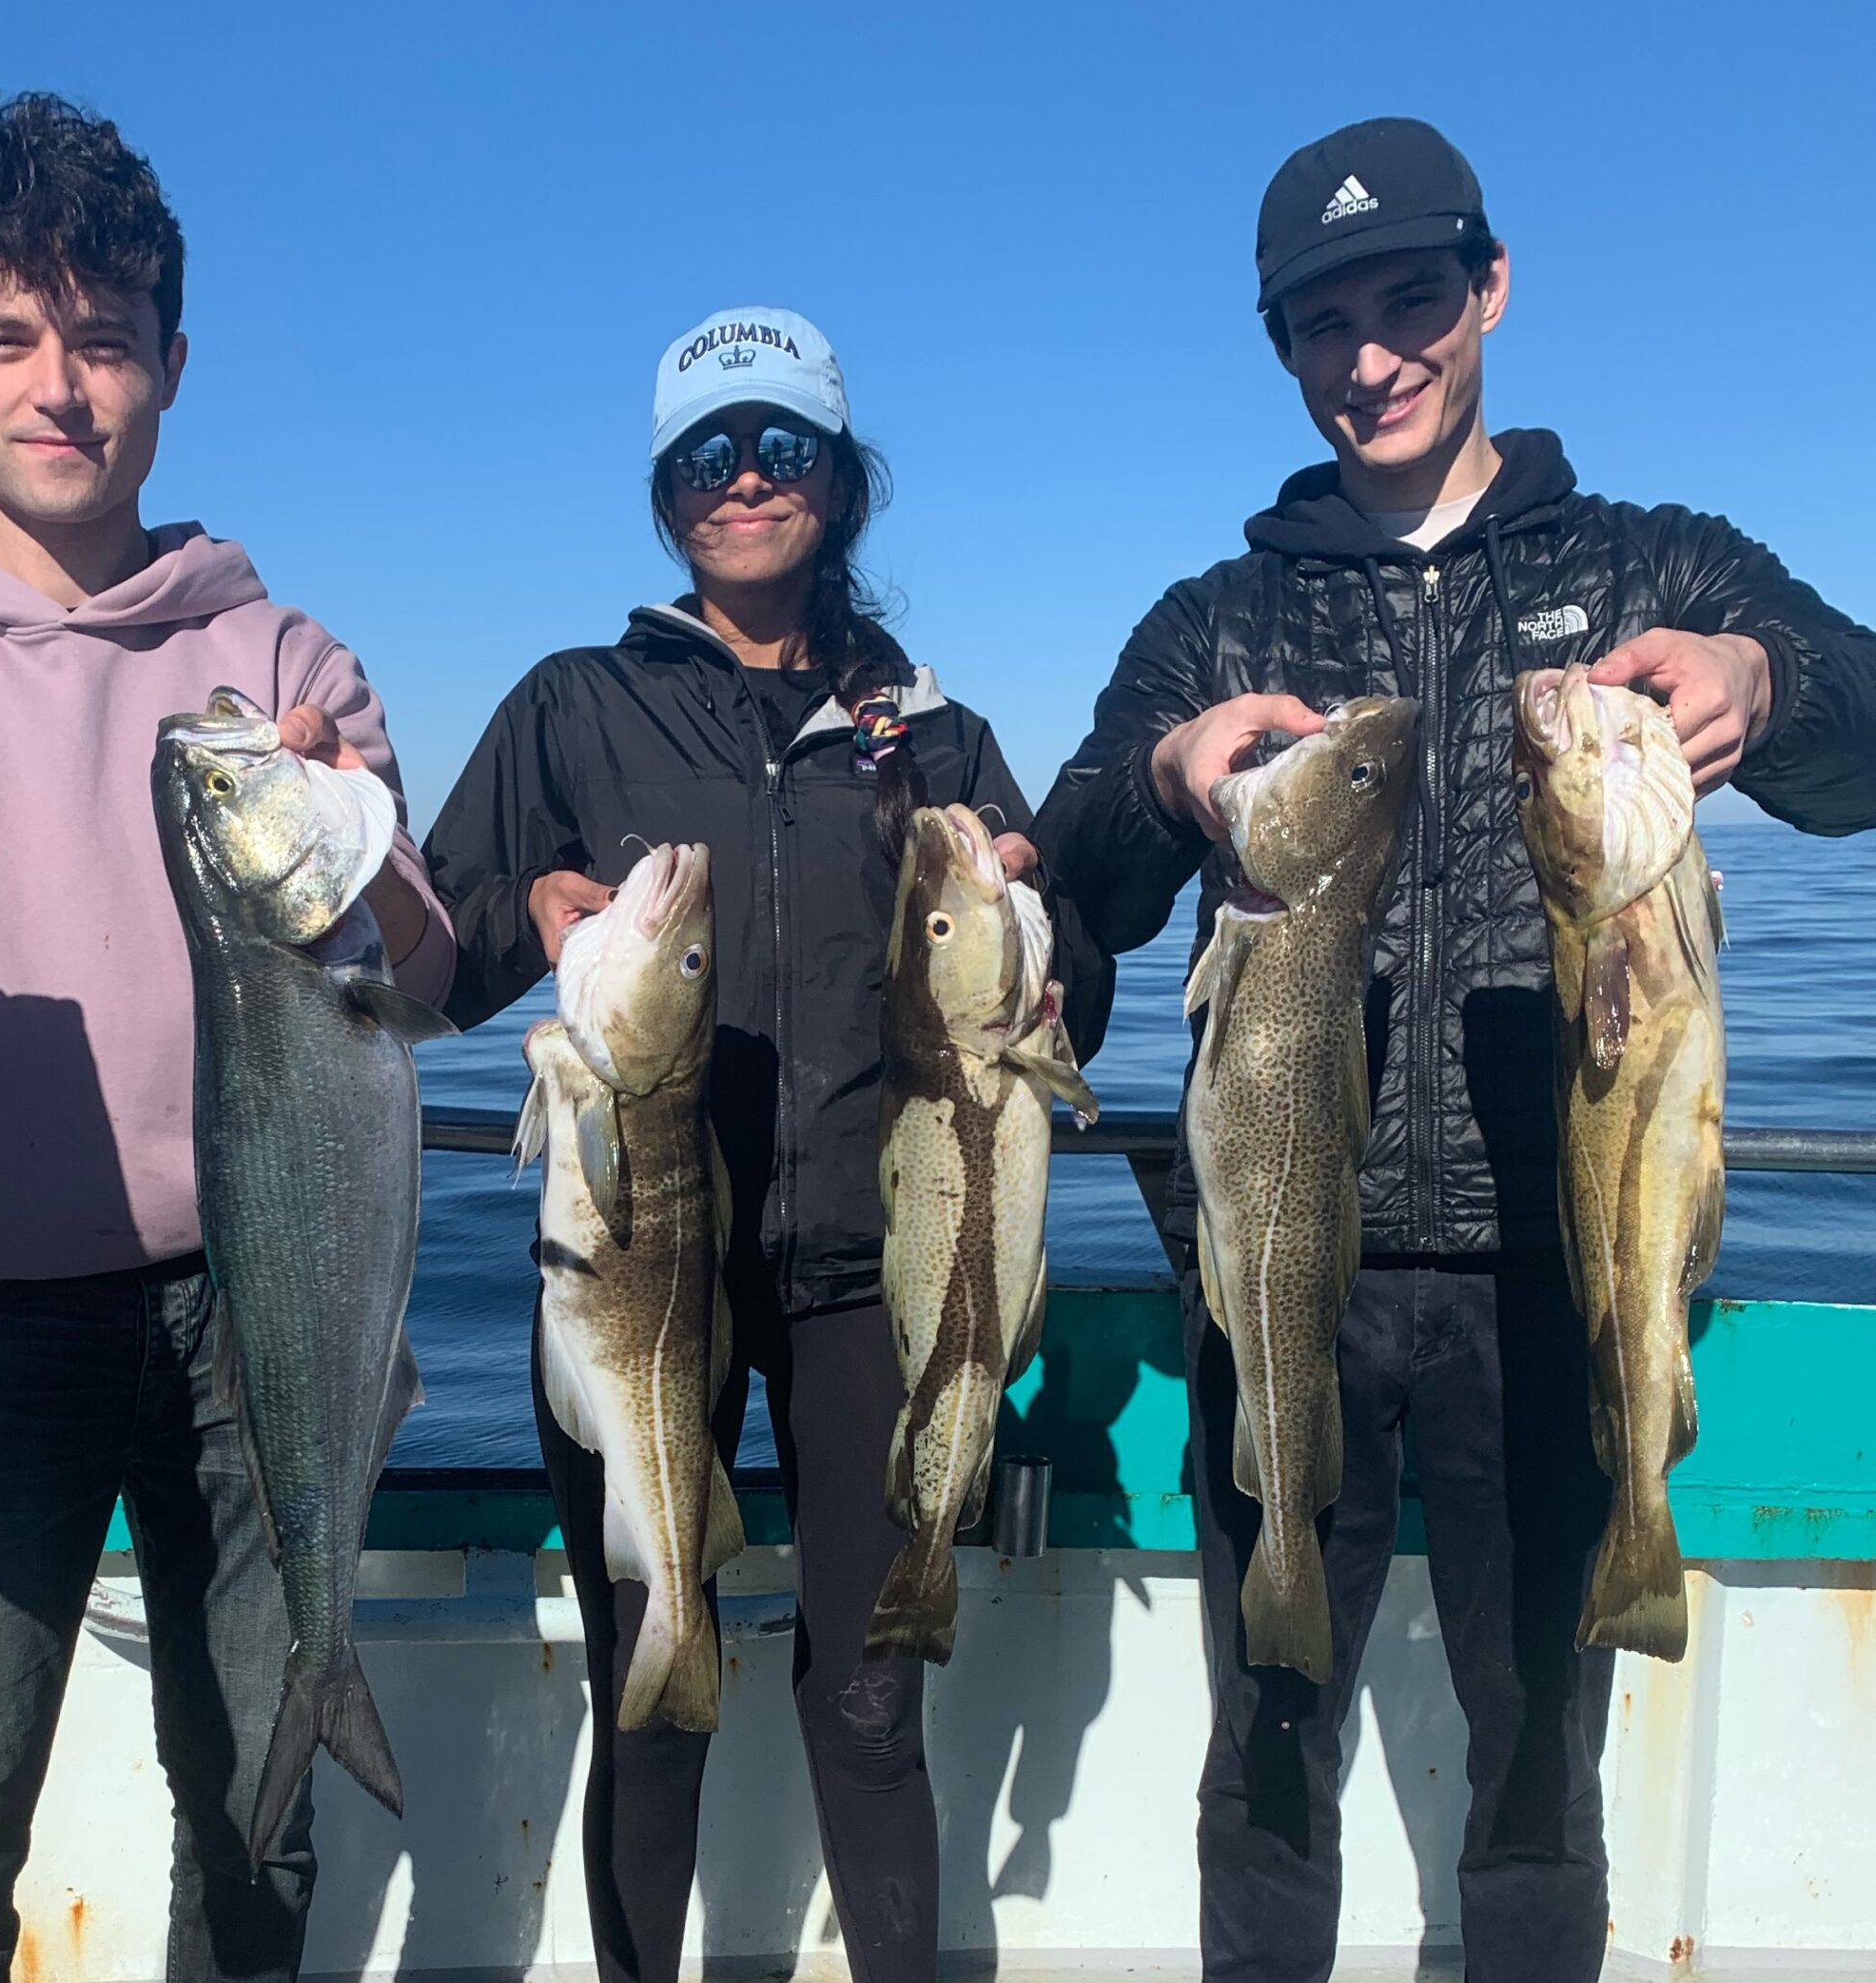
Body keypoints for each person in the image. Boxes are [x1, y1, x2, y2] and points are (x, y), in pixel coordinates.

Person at [1034, 117, 1876, 1983]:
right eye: (1317, 324)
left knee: (1536, 1773)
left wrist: (1771, 680)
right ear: (1279, 349)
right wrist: (1164, 776)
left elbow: (1867, 755)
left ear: (1490, 289)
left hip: (1555, 1271)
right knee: (1267, 1758)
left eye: (1409, 298)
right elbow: (1072, 875)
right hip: (1285, 1271)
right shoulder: (1216, 619)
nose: (1368, 356)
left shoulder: (1654, 560)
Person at [0, 92, 453, 1979]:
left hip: (259, 1300)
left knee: (256, 1837)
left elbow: (424, 959)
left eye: (105, 339)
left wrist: (343, 828)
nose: (60, 386)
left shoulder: (279, 657)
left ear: (171, 363)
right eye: (7, 338)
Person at [425, 307, 1111, 1982]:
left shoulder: (930, 731)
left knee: (871, 1703)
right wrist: (526, 910)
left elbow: (1074, 987)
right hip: (638, 1269)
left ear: (841, 479)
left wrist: (1040, 933)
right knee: (649, 1696)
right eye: (704, 457)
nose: (743, 480)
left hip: (870, 1280)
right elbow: (433, 952)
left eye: (781, 446)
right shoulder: (574, 705)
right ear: (666, 495)